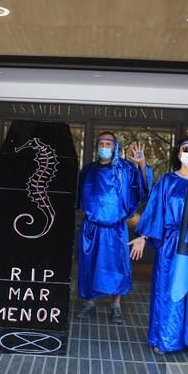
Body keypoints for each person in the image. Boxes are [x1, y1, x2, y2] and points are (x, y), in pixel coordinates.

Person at [130, 140, 188, 357]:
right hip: (172, 246)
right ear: (178, 154)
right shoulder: (167, 182)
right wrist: (142, 237)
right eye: (186, 149)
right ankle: (164, 338)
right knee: (169, 290)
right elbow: (155, 212)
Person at [76, 131, 151, 324]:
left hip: (116, 229)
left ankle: (116, 306)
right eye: (101, 144)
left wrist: (141, 164)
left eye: (108, 144)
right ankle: (89, 303)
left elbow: (142, 189)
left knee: (117, 266)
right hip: (91, 228)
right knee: (88, 265)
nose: (104, 147)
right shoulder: (88, 170)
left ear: (114, 147)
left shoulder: (125, 170)